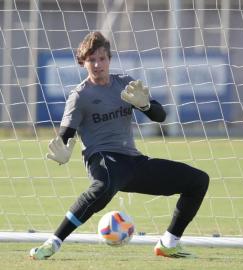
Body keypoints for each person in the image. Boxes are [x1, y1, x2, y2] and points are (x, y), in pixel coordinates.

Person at [30, 31, 209, 260]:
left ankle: (168, 243)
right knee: (103, 186)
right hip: (102, 158)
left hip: (132, 162)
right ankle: (52, 243)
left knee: (198, 181)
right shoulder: (79, 96)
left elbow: (161, 116)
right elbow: (65, 135)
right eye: (91, 60)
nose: (97, 64)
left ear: (109, 59)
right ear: (83, 62)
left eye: (101, 58)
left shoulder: (125, 83)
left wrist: (145, 106)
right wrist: (64, 151)